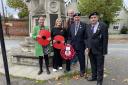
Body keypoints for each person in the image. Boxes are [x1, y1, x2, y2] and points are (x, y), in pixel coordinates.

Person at [86, 12, 108, 85]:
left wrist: (104, 51)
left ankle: (99, 81)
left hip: (99, 50)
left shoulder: (103, 26)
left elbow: (105, 39)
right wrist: (87, 47)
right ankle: (94, 77)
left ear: (97, 18)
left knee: (100, 66)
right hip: (91, 50)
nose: (93, 19)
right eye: (91, 18)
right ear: (90, 19)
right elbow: (87, 38)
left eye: (94, 17)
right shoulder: (88, 26)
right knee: (93, 65)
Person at [67, 12, 87, 77]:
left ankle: (82, 71)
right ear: (74, 18)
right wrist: (69, 43)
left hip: (81, 45)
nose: (77, 18)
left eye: (78, 17)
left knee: (81, 59)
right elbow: (69, 36)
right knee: (69, 57)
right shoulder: (71, 25)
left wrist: (86, 46)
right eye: (75, 17)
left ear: (79, 18)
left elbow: (86, 37)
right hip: (72, 45)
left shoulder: (84, 25)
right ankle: (68, 69)